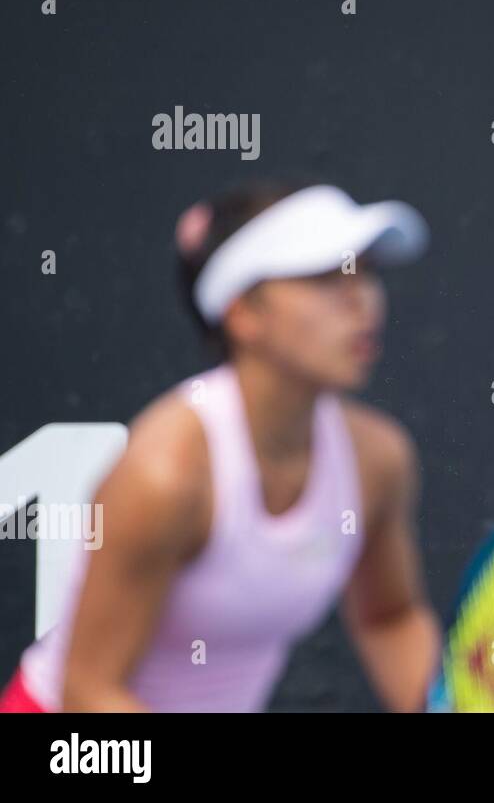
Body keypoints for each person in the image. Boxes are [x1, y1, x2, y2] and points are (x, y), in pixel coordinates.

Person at [0, 181, 440, 712]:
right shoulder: (167, 474)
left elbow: (388, 617)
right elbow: (88, 693)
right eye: (324, 276)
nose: (361, 297)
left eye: (365, 271)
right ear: (244, 314)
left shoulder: (377, 461)